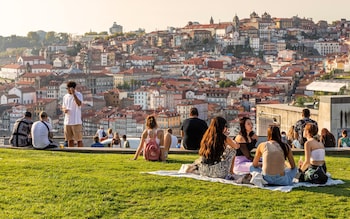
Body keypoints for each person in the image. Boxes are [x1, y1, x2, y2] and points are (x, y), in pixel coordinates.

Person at [62, 81, 83, 147]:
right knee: (69, 139)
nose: (67, 90)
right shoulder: (65, 96)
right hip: (67, 121)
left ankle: (81, 152)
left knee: (79, 139)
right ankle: (71, 151)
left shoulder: (79, 94)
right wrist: (64, 110)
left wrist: (74, 94)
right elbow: (63, 106)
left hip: (76, 121)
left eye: (68, 89)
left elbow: (79, 104)